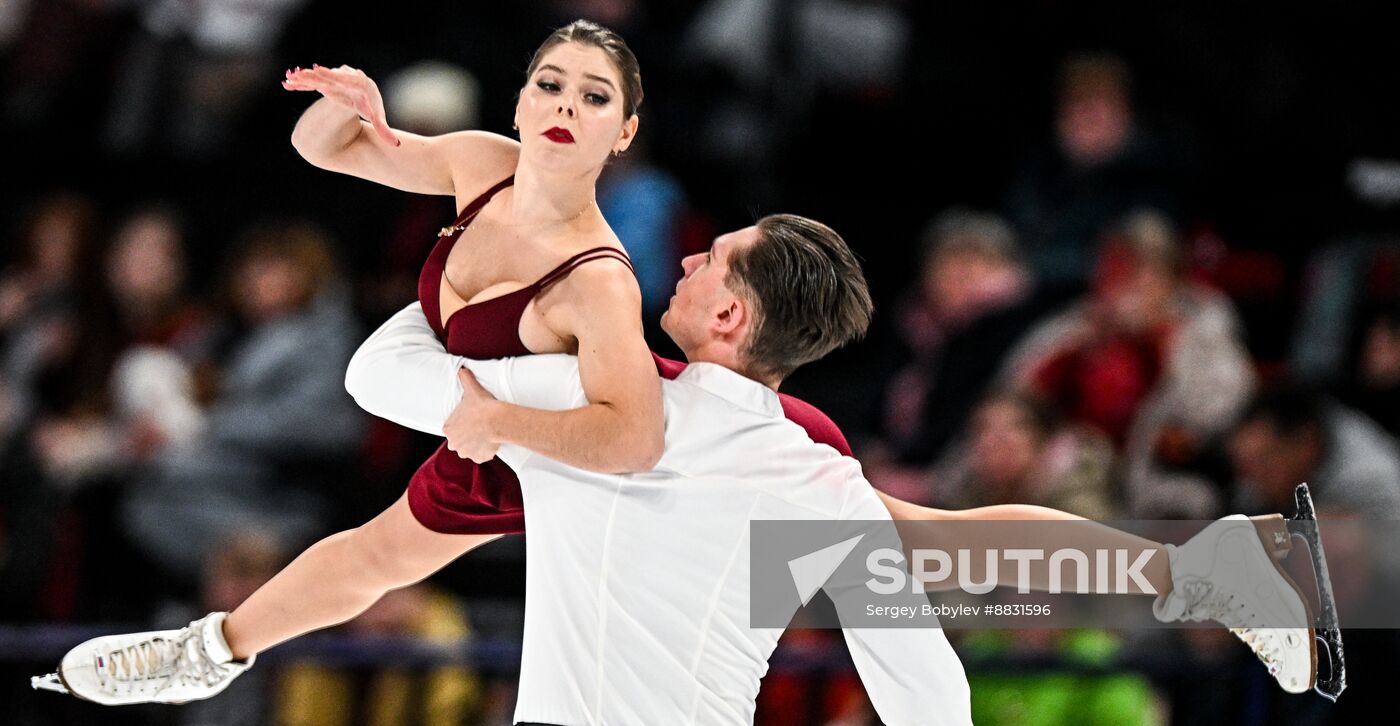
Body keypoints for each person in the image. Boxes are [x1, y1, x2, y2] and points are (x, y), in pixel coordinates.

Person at [41, 217, 1324, 718]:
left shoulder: (754, 447)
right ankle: (1210, 567)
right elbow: (917, 667)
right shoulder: (752, 445)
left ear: (729, 322)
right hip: (593, 480)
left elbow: (379, 371)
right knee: (934, 544)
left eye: (711, 258)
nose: (687, 258)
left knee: (930, 545)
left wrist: (493, 271)